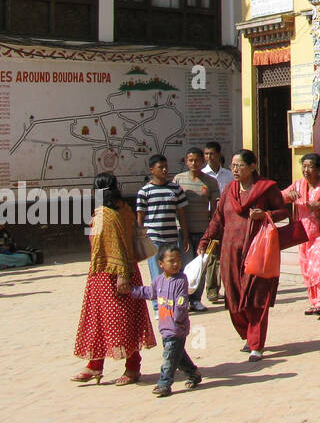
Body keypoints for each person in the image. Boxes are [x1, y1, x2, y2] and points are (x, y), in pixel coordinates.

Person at [196, 149, 287, 362]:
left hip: (257, 251)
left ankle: (256, 344)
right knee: (234, 298)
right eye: (233, 166)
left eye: (240, 166)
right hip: (230, 252)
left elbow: (284, 212)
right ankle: (248, 334)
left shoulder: (267, 188)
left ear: (253, 166)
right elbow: (218, 219)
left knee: (257, 298)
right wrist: (205, 240)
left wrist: (266, 214)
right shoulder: (229, 189)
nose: (235, 170)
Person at [72, 173, 156, 386]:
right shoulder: (124, 209)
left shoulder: (104, 215)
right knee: (101, 321)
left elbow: (115, 246)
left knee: (122, 322)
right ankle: (94, 366)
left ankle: (132, 367)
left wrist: (121, 275)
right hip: (109, 275)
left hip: (114, 277)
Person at [123, 245, 200, 397]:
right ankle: (193, 373)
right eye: (171, 261)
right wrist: (131, 291)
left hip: (177, 328)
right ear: (161, 264)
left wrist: (177, 320)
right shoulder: (158, 281)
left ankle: (164, 383)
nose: (176, 264)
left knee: (169, 357)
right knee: (178, 356)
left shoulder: (181, 280)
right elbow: (149, 292)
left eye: (178, 260)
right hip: (165, 327)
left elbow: (181, 302)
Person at [282, 152, 320, 318]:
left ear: (318, 169)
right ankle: (314, 301)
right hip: (303, 235)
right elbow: (280, 197)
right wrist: (289, 195)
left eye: (310, 166)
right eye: (304, 166)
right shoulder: (298, 185)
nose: (306, 170)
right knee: (308, 270)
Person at [135, 154, 190, 290]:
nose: (164, 170)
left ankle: (171, 302)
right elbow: (140, 217)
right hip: (153, 238)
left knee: (172, 271)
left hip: (171, 238)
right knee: (157, 274)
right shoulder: (144, 191)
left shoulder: (175, 189)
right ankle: (157, 307)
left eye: (166, 167)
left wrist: (185, 236)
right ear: (151, 170)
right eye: (161, 167)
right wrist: (140, 238)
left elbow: (182, 215)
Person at [174, 147, 218, 312]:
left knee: (200, 265)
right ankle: (183, 299)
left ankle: (196, 300)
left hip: (203, 231)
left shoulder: (210, 182)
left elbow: (214, 209)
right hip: (183, 231)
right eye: (191, 160)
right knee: (184, 266)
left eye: (197, 160)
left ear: (202, 161)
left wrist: (211, 231)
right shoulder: (178, 180)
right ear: (186, 161)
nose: (194, 163)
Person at [203, 142, 232, 305]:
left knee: (226, 254)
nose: (209, 157)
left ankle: (229, 290)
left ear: (219, 154)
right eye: (206, 154)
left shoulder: (228, 175)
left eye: (212, 154)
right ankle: (212, 289)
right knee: (212, 254)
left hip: (227, 220)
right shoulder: (202, 175)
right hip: (210, 219)